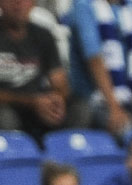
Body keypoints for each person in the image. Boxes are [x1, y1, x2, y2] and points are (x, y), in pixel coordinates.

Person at [65, 0, 132, 138]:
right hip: (92, 100)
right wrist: (114, 107)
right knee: (125, 128)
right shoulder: (83, 6)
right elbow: (95, 60)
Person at [0, 0, 80, 140]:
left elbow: (59, 82)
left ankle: (66, 151)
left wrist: (56, 101)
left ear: (33, 3)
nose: (18, 3)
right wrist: (32, 102)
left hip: (39, 106)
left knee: (80, 109)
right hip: (8, 105)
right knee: (6, 117)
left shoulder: (43, 35)